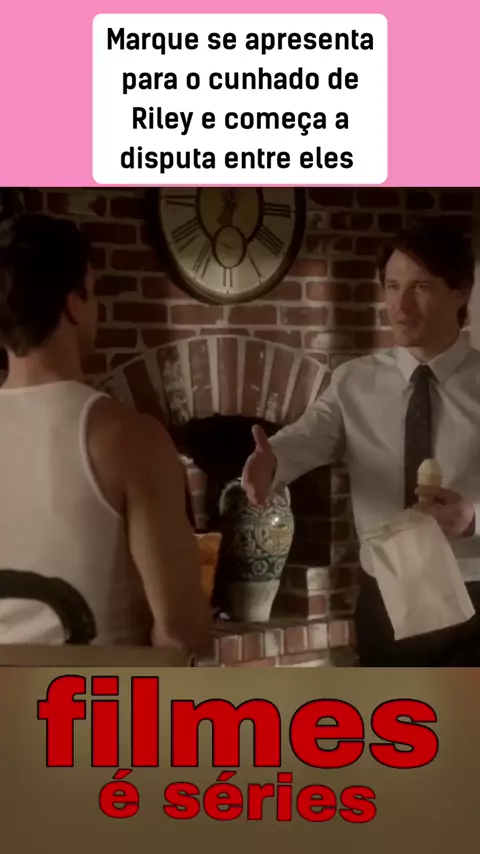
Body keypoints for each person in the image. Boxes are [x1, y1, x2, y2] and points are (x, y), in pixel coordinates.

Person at [242, 218, 480, 666]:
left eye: (420, 287)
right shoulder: (354, 382)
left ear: (460, 292)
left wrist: (473, 519)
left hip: (473, 601)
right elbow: (307, 437)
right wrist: (271, 464)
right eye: (392, 286)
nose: (400, 305)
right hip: (385, 601)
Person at [0, 214, 210, 653]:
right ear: (73, 304)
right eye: (92, 291)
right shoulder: (128, 438)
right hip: (95, 695)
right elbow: (179, 631)